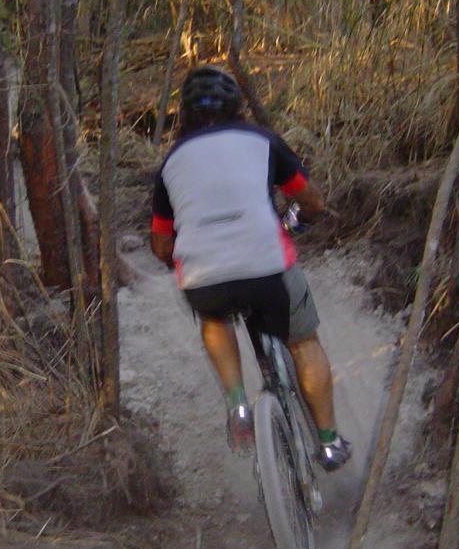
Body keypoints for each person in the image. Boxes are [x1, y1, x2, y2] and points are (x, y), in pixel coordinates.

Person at [149, 65, 352, 470]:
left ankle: (238, 404)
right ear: (238, 107)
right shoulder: (263, 141)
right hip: (267, 267)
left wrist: (193, 261)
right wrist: (293, 223)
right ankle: (329, 443)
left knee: (214, 317)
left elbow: (160, 244)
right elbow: (312, 201)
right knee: (303, 342)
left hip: (205, 274)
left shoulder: (170, 164)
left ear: (184, 113)